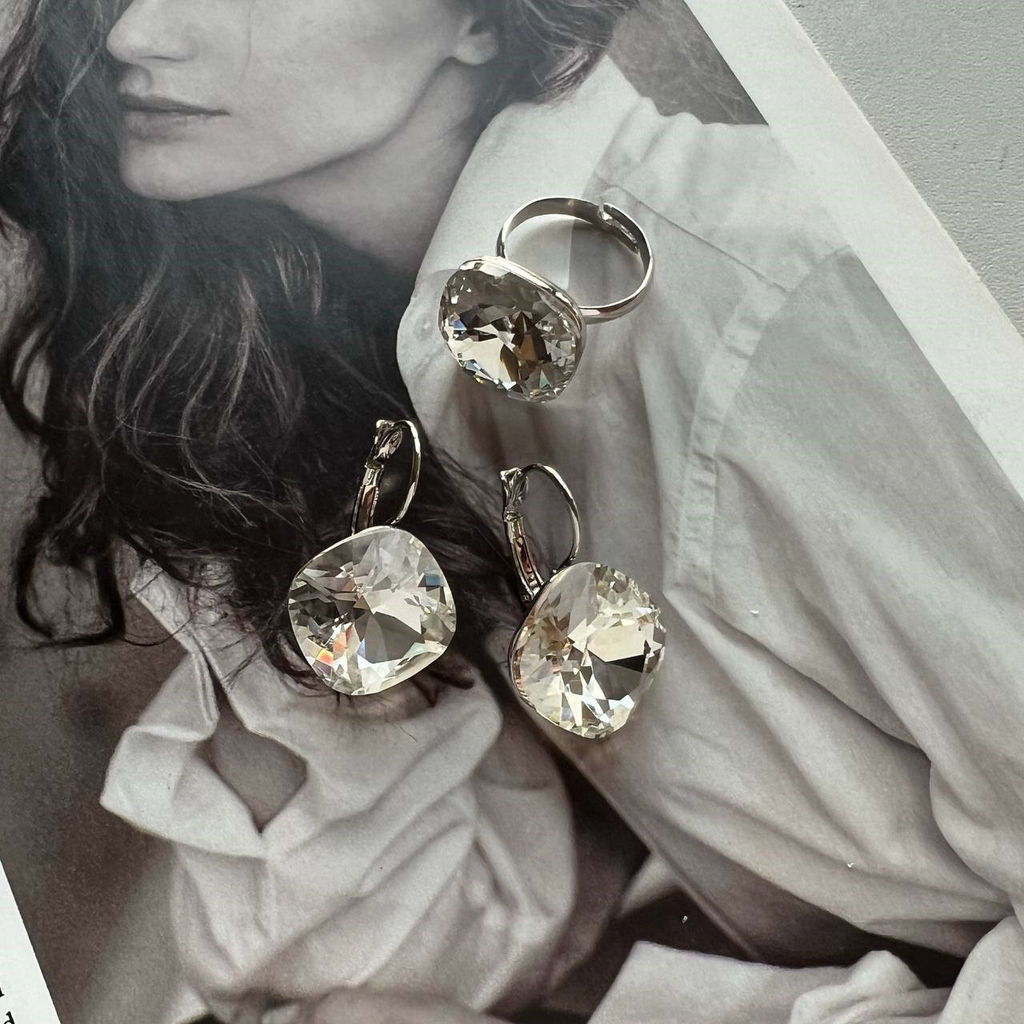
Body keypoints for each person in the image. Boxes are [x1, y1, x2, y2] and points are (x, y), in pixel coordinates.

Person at [3, 3, 1024, 1024]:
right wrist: (235, 513)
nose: (133, 37)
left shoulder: (765, 307)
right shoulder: (374, 361)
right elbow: (370, 955)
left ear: (482, 22)